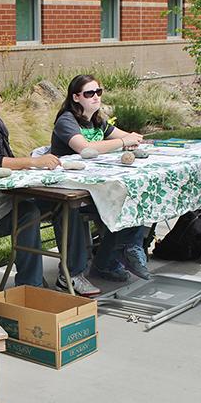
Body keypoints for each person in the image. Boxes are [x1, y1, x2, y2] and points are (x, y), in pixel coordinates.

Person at [0, 70, 102, 297]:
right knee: (28, 212)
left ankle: (71, 275)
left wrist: (34, 167)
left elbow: (5, 158)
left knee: (64, 203)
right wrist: (31, 161)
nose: (0, 99)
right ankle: (30, 288)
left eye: (0, 93)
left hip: (4, 197)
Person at [51, 74, 151, 283]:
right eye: (89, 93)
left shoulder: (97, 121)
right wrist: (123, 142)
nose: (96, 97)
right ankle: (113, 257)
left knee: (138, 195)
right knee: (123, 200)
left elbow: (130, 137)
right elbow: (85, 148)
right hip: (68, 188)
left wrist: (133, 140)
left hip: (96, 186)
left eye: (98, 92)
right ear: (76, 97)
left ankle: (114, 258)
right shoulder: (66, 121)